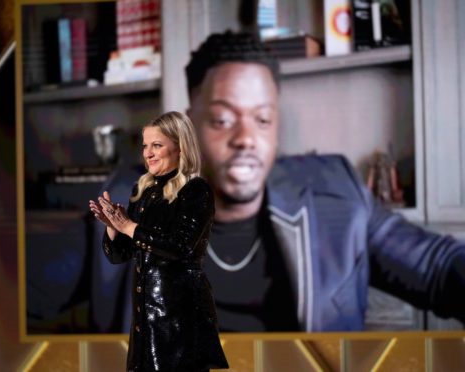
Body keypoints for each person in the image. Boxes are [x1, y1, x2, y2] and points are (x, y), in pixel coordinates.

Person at [91, 31, 465, 333]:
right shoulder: (127, 204)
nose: (246, 138)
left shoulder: (337, 196)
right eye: (223, 120)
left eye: (263, 120)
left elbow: (439, 268)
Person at [89, 111, 228, 371]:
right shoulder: (144, 191)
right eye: (145, 146)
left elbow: (179, 246)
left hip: (181, 320)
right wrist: (113, 228)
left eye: (157, 145)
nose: (148, 153)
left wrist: (129, 226)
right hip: (145, 320)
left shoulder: (196, 190)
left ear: (180, 147)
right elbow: (118, 255)